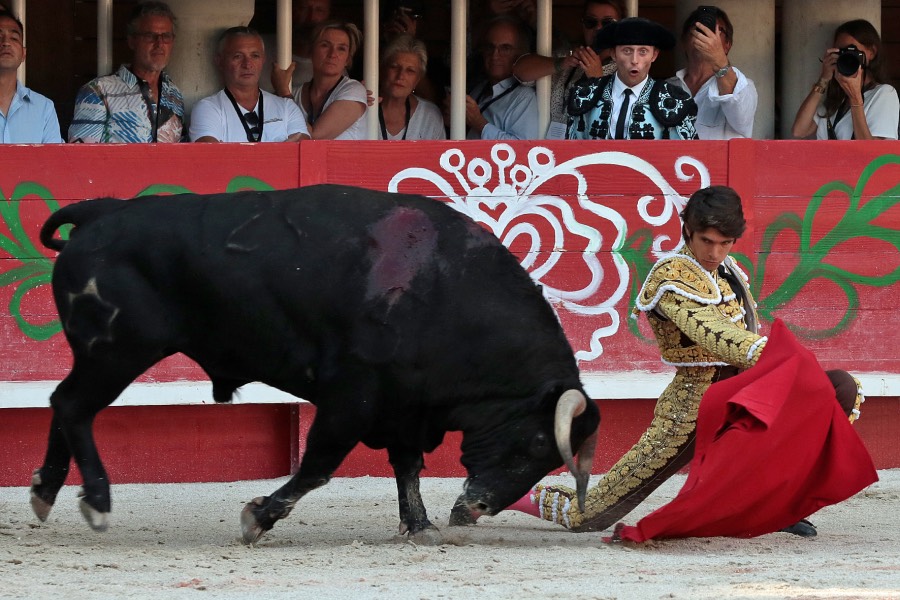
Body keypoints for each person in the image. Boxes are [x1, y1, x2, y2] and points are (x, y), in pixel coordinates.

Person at [508, 186, 867, 538]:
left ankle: (777, 507)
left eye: (725, 243)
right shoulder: (671, 276)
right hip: (694, 406)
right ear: (687, 232)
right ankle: (510, 492)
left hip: (746, 394)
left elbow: (745, 326)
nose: (715, 252)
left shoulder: (729, 271)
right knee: (589, 514)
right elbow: (712, 332)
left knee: (839, 389)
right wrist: (774, 357)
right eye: (707, 241)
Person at [69, 1, 183, 143]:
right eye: (150, 36)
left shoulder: (174, 95)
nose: (159, 43)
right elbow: (81, 158)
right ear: (132, 41)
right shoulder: (98, 91)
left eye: (166, 36)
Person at [567, 17, 697, 140]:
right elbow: (572, 151)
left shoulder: (675, 101)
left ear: (654, 55)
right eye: (627, 51)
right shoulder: (584, 95)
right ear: (613, 54)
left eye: (643, 51)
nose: (634, 60)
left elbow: (685, 155)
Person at [513, 0, 624, 139]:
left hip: (590, 153)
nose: (598, 28)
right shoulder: (569, 54)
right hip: (551, 149)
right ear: (583, 26)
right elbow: (519, 70)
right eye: (591, 22)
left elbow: (619, 124)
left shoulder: (628, 68)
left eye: (608, 23)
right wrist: (561, 63)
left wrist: (595, 80)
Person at [190, 27, 308, 143]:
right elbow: (211, 158)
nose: (247, 64)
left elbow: (303, 153)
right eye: (238, 56)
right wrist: (282, 150)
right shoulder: (208, 108)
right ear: (220, 61)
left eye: (255, 56)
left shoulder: (287, 108)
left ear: (263, 60)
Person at [791, 19, 899, 140]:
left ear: (872, 52)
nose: (847, 57)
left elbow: (871, 152)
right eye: (841, 52)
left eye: (852, 50)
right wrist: (824, 79)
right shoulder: (838, 99)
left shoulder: (884, 94)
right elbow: (799, 131)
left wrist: (855, 98)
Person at [668, 5, 757, 139]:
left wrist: (719, 61)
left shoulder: (744, 87)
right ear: (684, 41)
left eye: (717, 30)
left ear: (727, 45)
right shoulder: (666, 88)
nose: (706, 35)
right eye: (698, 29)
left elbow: (741, 119)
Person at [447, 15, 538, 140]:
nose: (495, 55)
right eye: (490, 47)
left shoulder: (525, 98)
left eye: (505, 48)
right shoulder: (480, 88)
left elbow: (523, 151)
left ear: (521, 54)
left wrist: (479, 123)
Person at [274, 20, 366, 140]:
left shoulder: (353, 90)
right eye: (325, 45)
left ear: (348, 59)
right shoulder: (295, 93)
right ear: (311, 51)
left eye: (341, 49)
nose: (332, 54)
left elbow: (314, 137)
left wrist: (283, 93)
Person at [0, 10, 63, 143]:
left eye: (14, 38)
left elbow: (54, 162)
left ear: (23, 54)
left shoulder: (44, 108)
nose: (6, 43)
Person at [378, 34, 445, 140]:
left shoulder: (429, 115)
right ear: (382, 71)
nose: (400, 76)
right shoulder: (362, 109)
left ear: (418, 79)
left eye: (410, 71)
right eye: (394, 67)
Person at [268, 0, 331, 99]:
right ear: (290, 10)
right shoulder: (258, 49)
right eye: (304, 8)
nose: (311, 17)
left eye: (319, 10)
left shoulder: (332, 64)